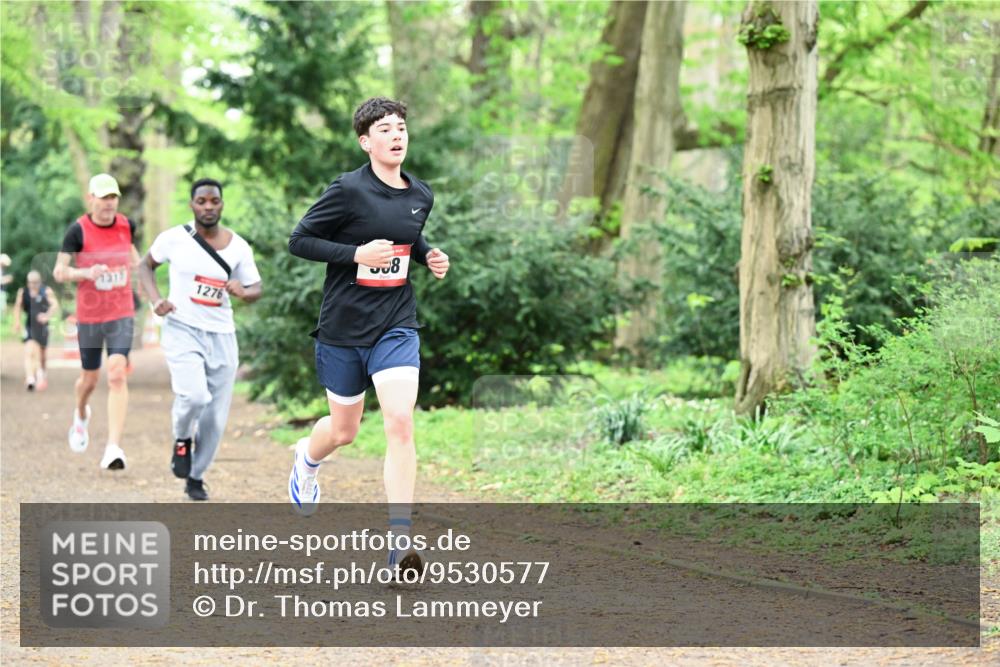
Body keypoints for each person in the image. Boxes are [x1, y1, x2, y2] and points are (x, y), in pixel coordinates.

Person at [287, 97, 449, 575]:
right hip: (343, 329)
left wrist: (428, 255)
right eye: (384, 129)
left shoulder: (420, 193)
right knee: (344, 432)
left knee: (400, 422)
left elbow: (408, 237)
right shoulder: (347, 190)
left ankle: (399, 543)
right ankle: (307, 460)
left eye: (401, 127)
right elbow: (300, 240)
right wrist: (356, 254)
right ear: (366, 141)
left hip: (396, 324)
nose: (396, 135)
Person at [137, 178, 262, 501]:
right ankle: (182, 439)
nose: (208, 207)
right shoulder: (174, 239)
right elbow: (145, 266)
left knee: (215, 416)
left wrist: (243, 291)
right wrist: (156, 301)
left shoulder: (238, 247)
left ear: (222, 204)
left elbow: (256, 289)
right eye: (202, 201)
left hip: (222, 336)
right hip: (182, 329)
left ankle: (195, 476)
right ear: (192, 204)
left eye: (214, 201)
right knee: (193, 397)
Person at [53, 173, 140, 470]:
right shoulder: (77, 230)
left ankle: (113, 448)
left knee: (117, 373)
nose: (109, 203)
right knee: (89, 380)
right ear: (90, 198)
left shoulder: (128, 225)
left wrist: (145, 284)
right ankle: (80, 413)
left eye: (113, 197)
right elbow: (59, 272)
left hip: (121, 312)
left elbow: (134, 260)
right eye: (103, 197)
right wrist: (86, 274)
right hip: (90, 315)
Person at [11, 270, 59, 391]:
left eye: (35, 283)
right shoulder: (23, 292)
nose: (33, 285)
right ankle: (30, 378)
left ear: (39, 282)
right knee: (29, 351)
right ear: (28, 282)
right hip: (30, 326)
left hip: (43, 326)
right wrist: (16, 322)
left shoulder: (46, 291)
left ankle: (41, 373)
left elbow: (55, 305)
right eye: (31, 283)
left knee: (42, 354)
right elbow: (17, 307)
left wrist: (47, 316)